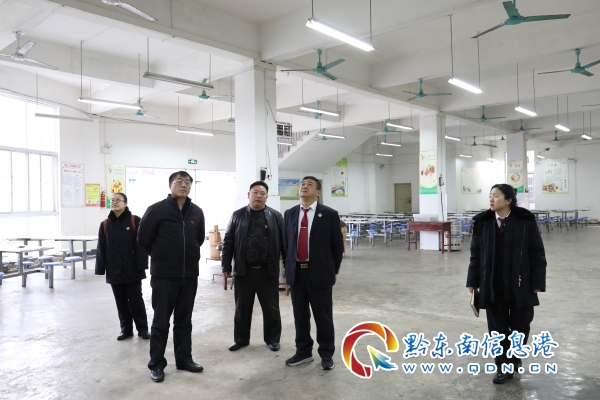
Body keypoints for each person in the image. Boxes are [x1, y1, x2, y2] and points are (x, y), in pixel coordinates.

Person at [466, 184, 547, 384]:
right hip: (493, 284)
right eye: (490, 195)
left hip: (521, 283)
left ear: (508, 200)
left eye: (496, 196)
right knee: (497, 329)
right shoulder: (483, 223)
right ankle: (502, 366)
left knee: (521, 326)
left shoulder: (525, 221)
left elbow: (537, 252)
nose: (491, 199)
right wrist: (473, 280)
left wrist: (537, 281)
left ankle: (515, 357)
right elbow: (476, 254)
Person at [137, 171, 206, 383]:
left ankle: (184, 359)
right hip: (164, 276)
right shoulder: (156, 210)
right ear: (170, 185)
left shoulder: (197, 212)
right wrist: (162, 257)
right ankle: (156, 364)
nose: (184, 185)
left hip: (189, 275)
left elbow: (199, 239)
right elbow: (143, 239)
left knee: (184, 321)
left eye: (188, 182)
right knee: (160, 322)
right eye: (179, 182)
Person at [282, 176, 344, 370]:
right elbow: (286, 244)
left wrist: (333, 270)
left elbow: (337, 246)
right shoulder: (290, 213)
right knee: (300, 316)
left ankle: (326, 354)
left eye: (310, 184)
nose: (304, 186)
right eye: (302, 184)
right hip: (296, 273)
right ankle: (303, 352)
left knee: (323, 316)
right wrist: (287, 269)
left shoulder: (329, 214)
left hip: (319, 273)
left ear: (318, 192)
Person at [221, 181, 285, 352]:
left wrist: (288, 267)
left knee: (271, 308)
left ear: (267, 197)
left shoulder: (275, 216)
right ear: (248, 195)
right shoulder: (237, 215)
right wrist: (225, 266)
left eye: (262, 193)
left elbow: (284, 243)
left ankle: (272, 339)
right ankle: (241, 340)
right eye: (255, 192)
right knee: (242, 308)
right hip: (244, 271)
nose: (258, 196)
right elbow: (228, 242)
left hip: (268, 271)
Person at [95, 192, 149, 341]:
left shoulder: (134, 220)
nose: (114, 202)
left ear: (125, 203)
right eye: (112, 200)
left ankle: (143, 329)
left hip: (132, 269)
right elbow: (101, 248)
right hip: (114, 269)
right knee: (121, 301)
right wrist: (100, 268)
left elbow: (141, 245)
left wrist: (141, 265)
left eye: (118, 200)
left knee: (136, 300)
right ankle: (126, 329)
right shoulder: (105, 224)